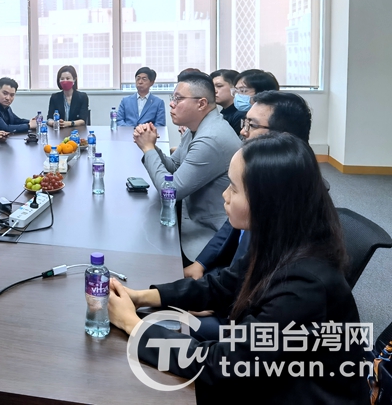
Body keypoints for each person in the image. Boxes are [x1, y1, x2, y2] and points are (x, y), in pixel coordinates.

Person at [108, 133, 366, 404]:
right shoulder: (282, 240)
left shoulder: (303, 288)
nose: (225, 195)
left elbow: (222, 365)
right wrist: (140, 296)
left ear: (268, 201)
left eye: (233, 188)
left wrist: (132, 324)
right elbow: (222, 285)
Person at [185, 91, 314, 280]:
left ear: (283, 138)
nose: (243, 132)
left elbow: (245, 280)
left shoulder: (287, 200)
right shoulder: (262, 174)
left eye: (252, 125)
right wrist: (200, 263)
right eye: (244, 123)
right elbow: (231, 227)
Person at [134, 71, 241, 261]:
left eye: (178, 99)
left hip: (209, 234)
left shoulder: (211, 138)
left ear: (201, 103)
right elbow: (174, 166)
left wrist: (148, 149)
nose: (171, 104)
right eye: (172, 98)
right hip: (189, 217)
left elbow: (170, 191)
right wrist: (151, 145)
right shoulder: (197, 128)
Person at [210, 68, 244, 136]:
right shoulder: (223, 113)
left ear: (235, 88)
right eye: (212, 87)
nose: (214, 91)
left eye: (219, 86)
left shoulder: (241, 114)